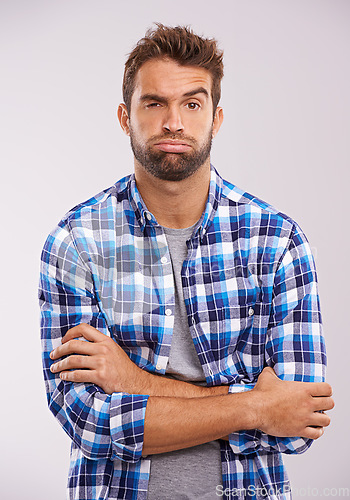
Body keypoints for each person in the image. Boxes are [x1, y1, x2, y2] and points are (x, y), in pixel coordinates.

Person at [39, 24, 334, 500]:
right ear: (124, 116)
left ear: (216, 118)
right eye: (153, 103)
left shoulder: (276, 240)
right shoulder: (76, 242)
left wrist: (132, 381)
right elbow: (88, 423)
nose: (173, 122)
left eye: (192, 104)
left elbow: (299, 422)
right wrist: (257, 407)